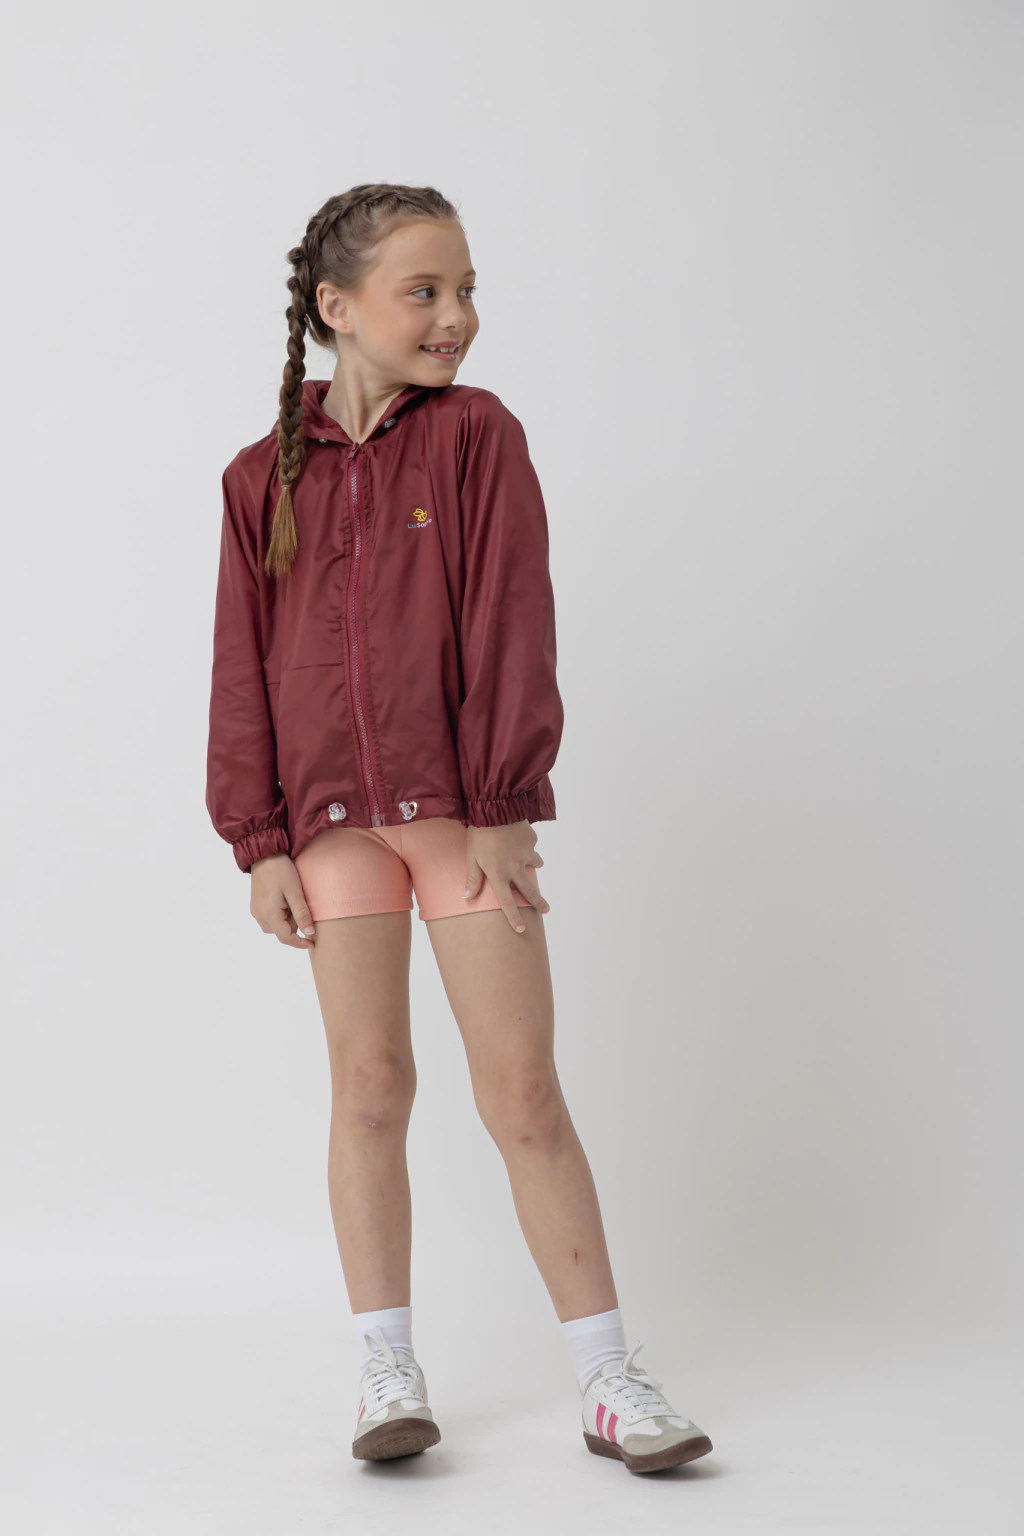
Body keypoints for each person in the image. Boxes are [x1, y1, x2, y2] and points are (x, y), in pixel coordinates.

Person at [205, 182, 713, 1475]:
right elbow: (241, 665)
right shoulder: (261, 476)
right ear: (338, 307)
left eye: (467, 289)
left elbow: (509, 616)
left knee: (522, 1089)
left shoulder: (478, 436)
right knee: (370, 1087)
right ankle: (387, 1368)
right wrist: (259, 838)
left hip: (461, 817)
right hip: (330, 830)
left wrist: (502, 804)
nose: (457, 316)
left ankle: (608, 1379)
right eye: (424, 291)